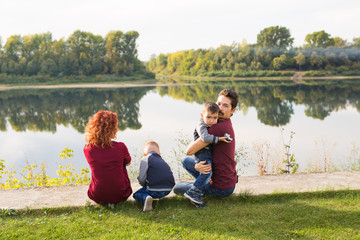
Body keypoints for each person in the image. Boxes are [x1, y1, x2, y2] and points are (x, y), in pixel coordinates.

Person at [173, 89, 239, 206]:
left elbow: (189, 150)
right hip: (227, 180)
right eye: (218, 104)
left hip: (220, 188)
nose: (220, 108)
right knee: (186, 161)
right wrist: (196, 165)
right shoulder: (225, 123)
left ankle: (197, 189)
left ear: (232, 110)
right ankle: (202, 181)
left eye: (225, 106)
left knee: (177, 187)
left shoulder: (218, 128)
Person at [184, 102, 231, 204]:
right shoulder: (201, 124)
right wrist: (219, 139)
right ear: (202, 115)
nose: (211, 121)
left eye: (215, 118)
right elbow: (205, 138)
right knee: (207, 171)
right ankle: (194, 191)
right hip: (201, 153)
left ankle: (197, 191)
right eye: (208, 117)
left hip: (207, 152)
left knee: (206, 172)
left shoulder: (213, 124)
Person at [84, 110, 132, 205]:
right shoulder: (120, 147)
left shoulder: (87, 149)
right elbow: (128, 162)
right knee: (122, 164)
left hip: (97, 195)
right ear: (113, 129)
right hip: (121, 194)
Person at [133, 141, 175, 212]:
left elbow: (141, 179)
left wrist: (144, 185)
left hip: (153, 190)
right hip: (168, 190)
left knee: (136, 194)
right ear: (159, 154)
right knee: (156, 187)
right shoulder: (163, 161)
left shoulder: (145, 159)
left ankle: (145, 198)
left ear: (144, 154)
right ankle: (152, 196)